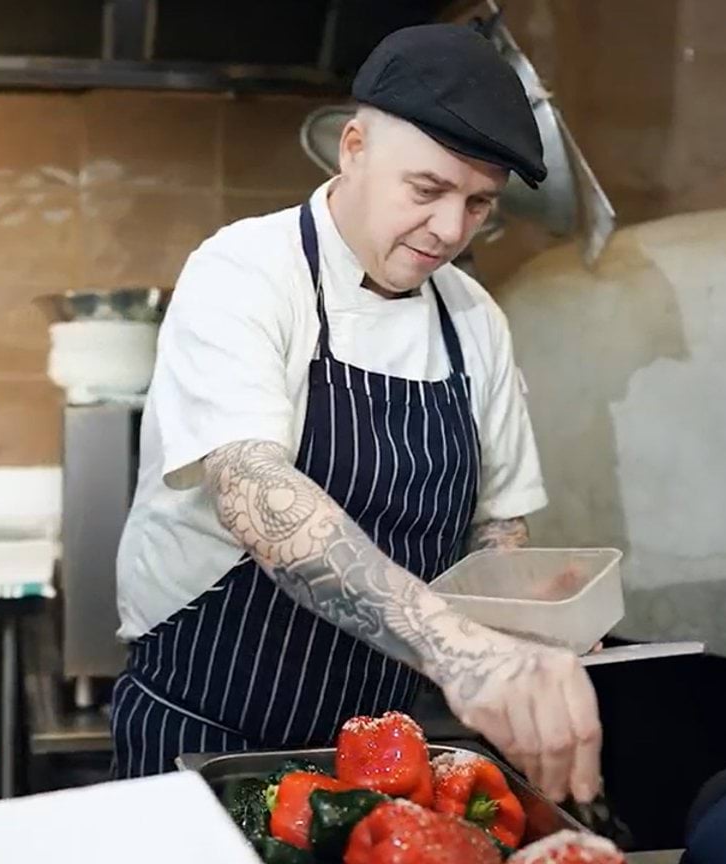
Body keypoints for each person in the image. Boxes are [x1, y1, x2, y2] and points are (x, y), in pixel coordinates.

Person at [110, 22, 602, 805]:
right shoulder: (245, 271)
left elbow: (496, 525)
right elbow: (254, 493)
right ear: (353, 149)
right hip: (203, 736)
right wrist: (459, 653)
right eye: (428, 190)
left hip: (380, 752)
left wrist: (523, 618)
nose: (450, 229)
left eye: (478, 202)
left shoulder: (473, 317)